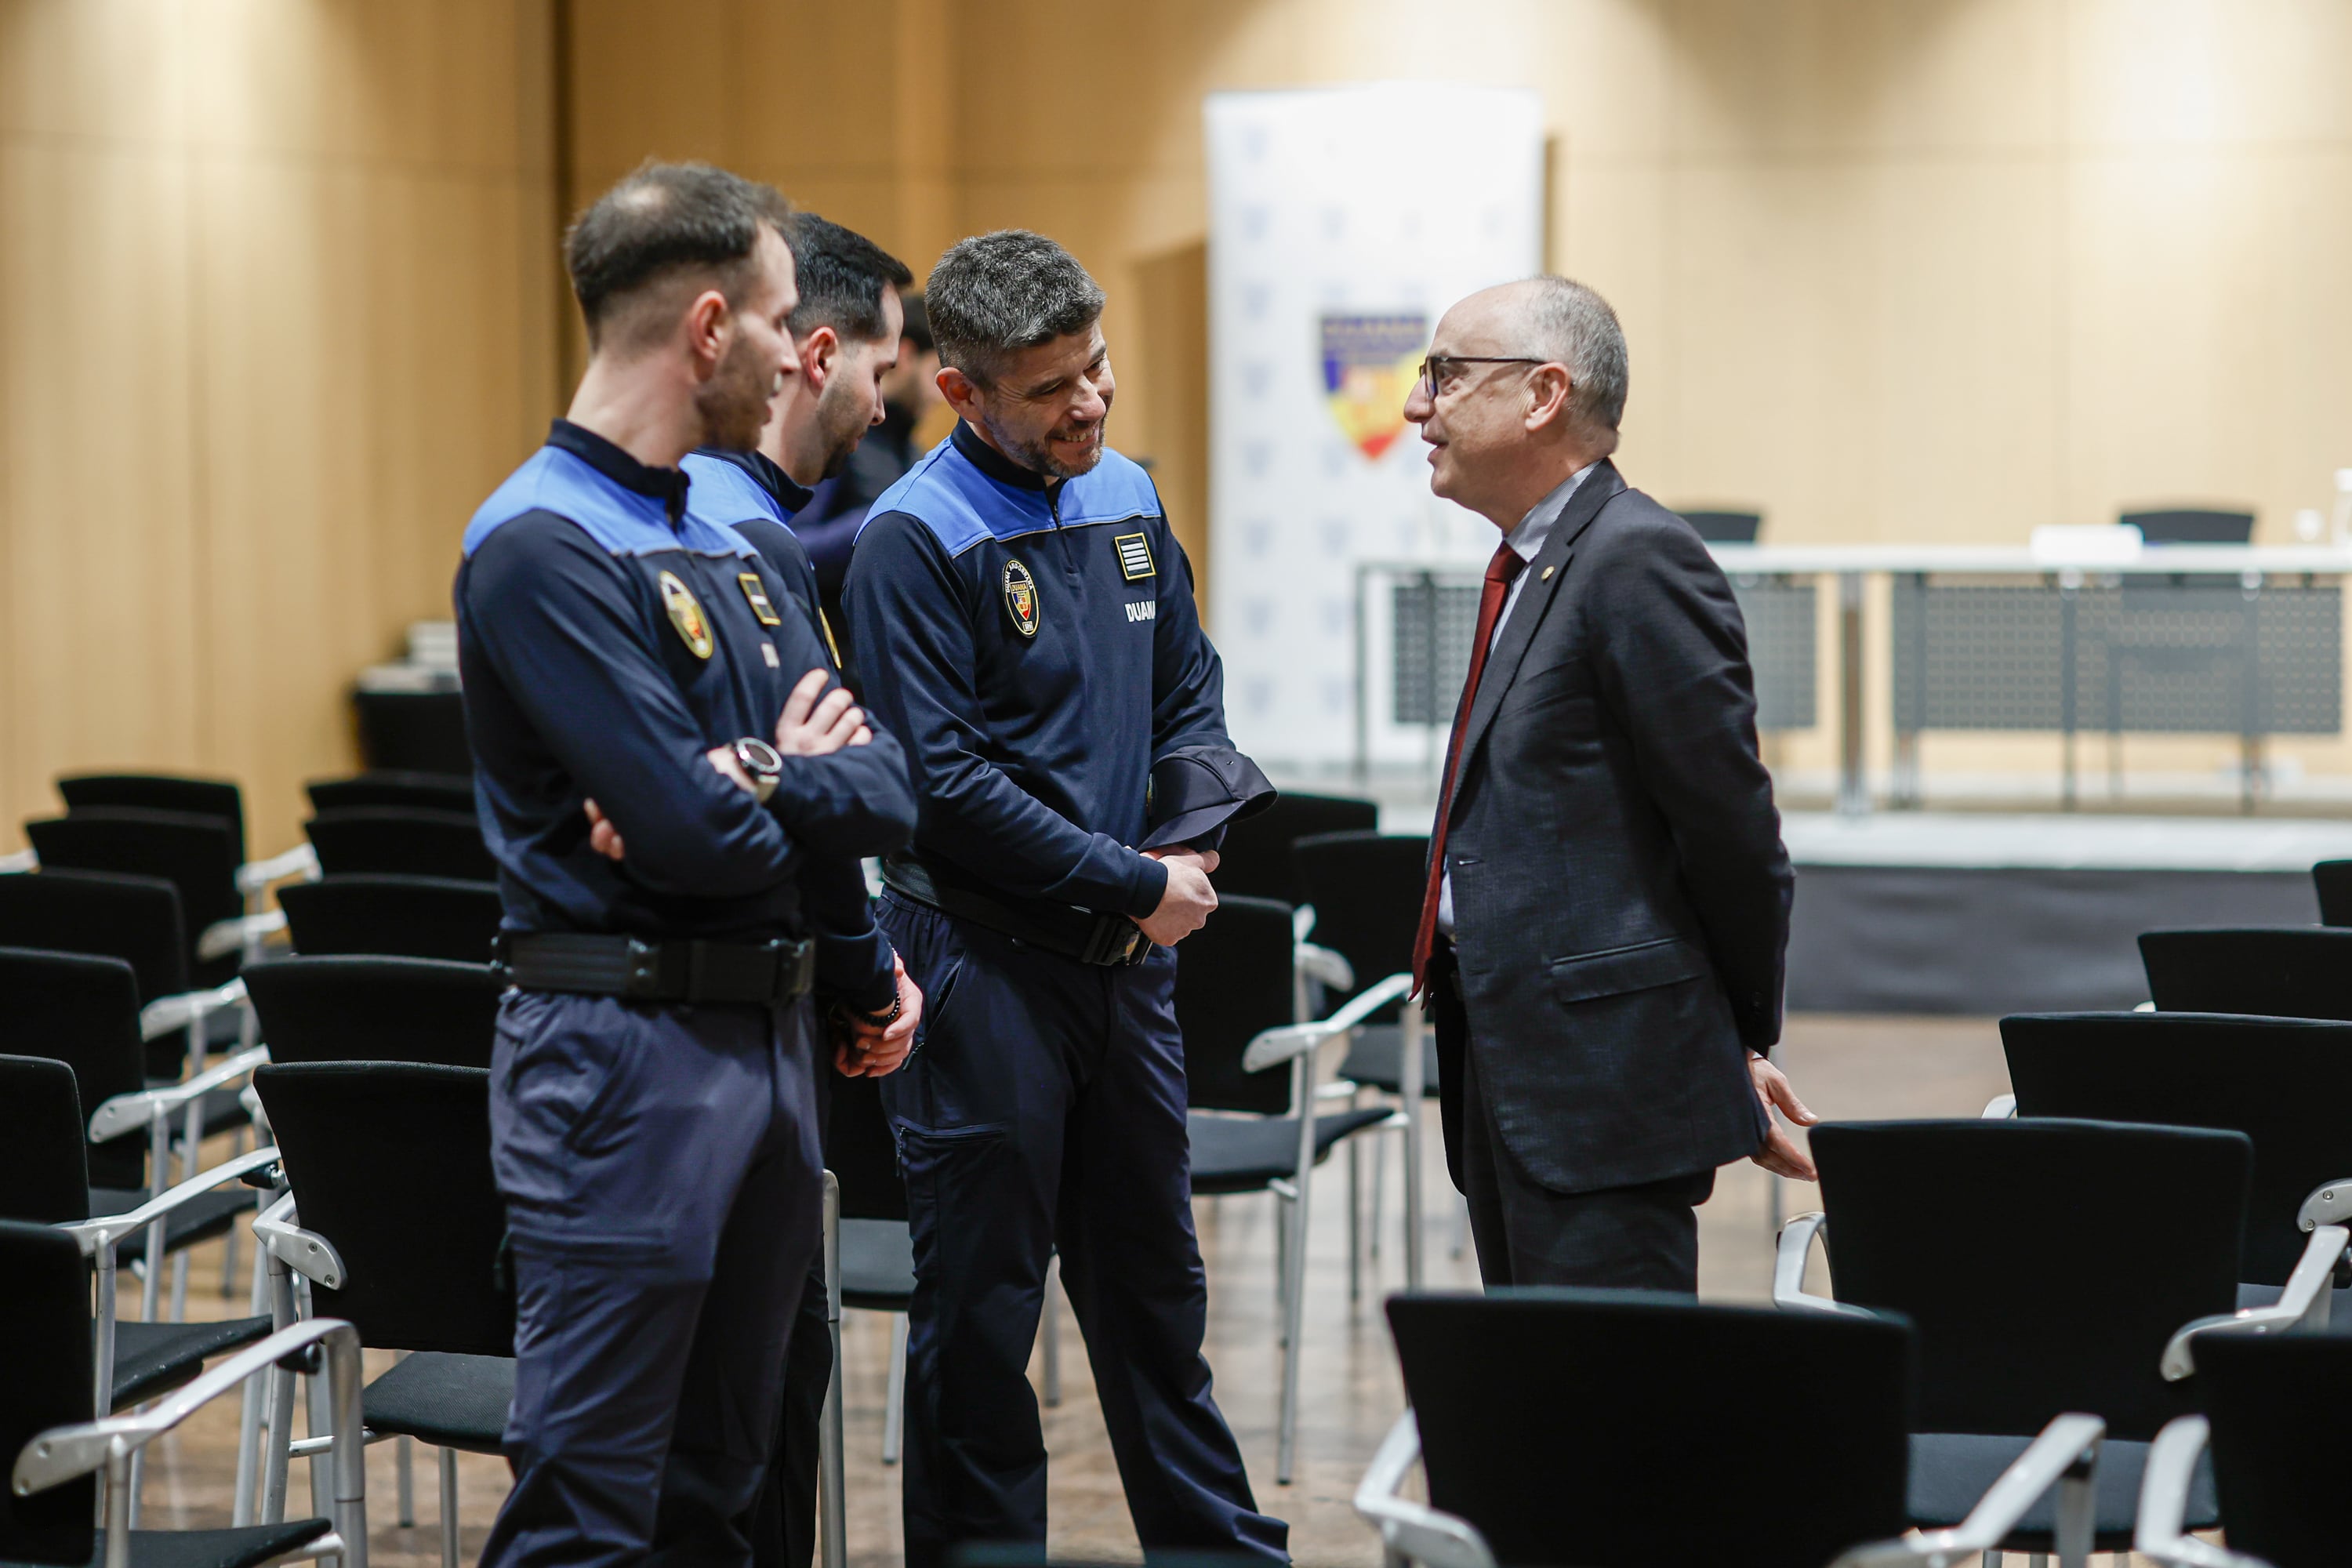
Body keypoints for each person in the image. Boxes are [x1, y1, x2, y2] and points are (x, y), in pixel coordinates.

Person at [455, 161, 917, 1568]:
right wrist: (765, 787)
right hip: (620, 1059)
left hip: (768, 1048)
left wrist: (762, 770)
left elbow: (885, 789)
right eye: (782, 323)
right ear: (711, 330)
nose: (803, 358)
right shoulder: (537, 543)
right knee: (596, 1506)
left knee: (724, 1484)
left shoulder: (741, 534)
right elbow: (687, 833)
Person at [843, 230, 1287, 1568]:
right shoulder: (909, 542)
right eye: (1051, 389)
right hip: (979, 973)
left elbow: (1189, 699)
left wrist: (1188, 847)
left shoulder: (1129, 493)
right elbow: (945, 787)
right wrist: (1137, 879)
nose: (1089, 402)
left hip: (1127, 968)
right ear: (963, 392)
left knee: (1158, 1304)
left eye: (1097, 369)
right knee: (981, 1324)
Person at [1401, 275, 1817, 1294]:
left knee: (1615, 1422)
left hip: (1605, 1086)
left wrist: (1737, 1038)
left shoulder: (1637, 561)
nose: (1418, 405)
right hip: (1518, 1064)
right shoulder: (1539, 561)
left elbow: (1731, 834)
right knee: (1546, 1410)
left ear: (1543, 395)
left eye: (1446, 374)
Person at [677, 209, 922, 1568]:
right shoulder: (746, 551)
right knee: (753, 1423)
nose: (881, 402)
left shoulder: (651, 523)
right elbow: (840, 806)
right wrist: (868, 970)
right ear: (814, 353)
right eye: (879, 369)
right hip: (734, 1052)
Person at [791, 291, 941, 622]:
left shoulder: (915, 455)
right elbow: (794, 547)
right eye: (936, 371)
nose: (941, 395)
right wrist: (881, 523)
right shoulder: (843, 442)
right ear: (906, 355)